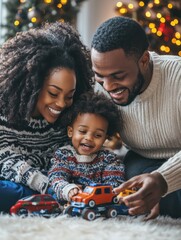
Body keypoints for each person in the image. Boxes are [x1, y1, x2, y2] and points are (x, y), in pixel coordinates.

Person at [91, 16, 181, 219]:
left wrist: (163, 179)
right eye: (99, 76)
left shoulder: (177, 77)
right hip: (142, 160)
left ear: (144, 60)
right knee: (128, 183)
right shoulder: (103, 87)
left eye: (118, 76)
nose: (108, 87)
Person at [0, 21, 93, 213]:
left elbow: (67, 156)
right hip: (16, 180)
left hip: (53, 182)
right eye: (53, 93)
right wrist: (44, 184)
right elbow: (4, 160)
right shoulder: (5, 107)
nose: (61, 104)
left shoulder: (70, 113)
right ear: (33, 85)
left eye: (69, 96)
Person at [48, 91, 125, 202]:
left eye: (98, 135)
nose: (89, 138)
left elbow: (114, 184)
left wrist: (112, 194)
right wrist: (67, 188)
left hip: (97, 201)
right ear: (70, 131)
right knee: (52, 193)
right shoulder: (64, 155)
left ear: (105, 138)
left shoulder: (109, 159)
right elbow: (56, 176)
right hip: (70, 200)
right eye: (83, 131)